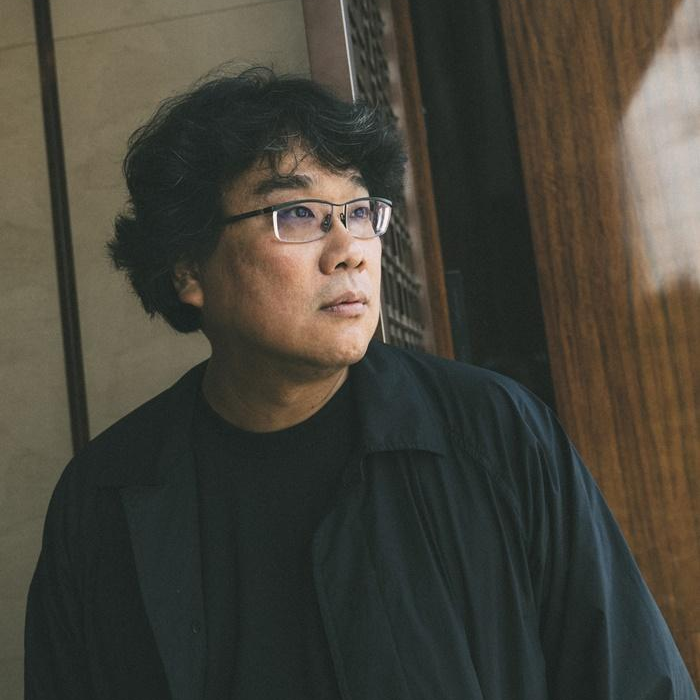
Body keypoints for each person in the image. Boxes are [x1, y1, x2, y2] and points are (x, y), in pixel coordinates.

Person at [25, 67, 697, 700]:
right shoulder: (104, 498)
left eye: (358, 212)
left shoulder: (492, 435)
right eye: (297, 214)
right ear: (188, 271)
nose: (348, 249)